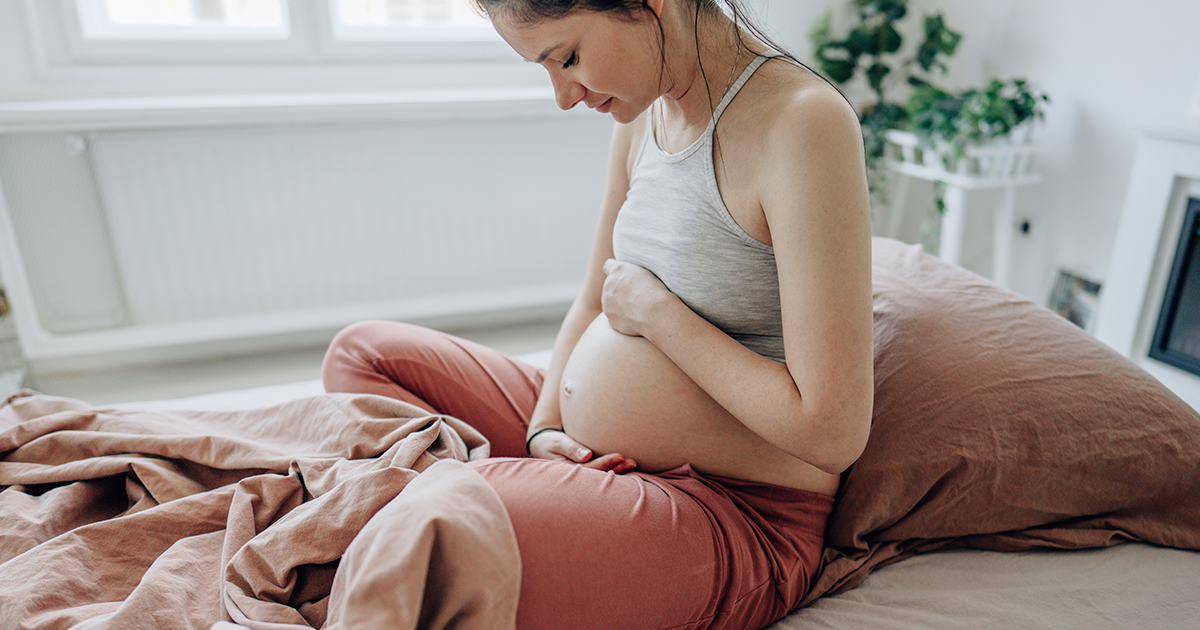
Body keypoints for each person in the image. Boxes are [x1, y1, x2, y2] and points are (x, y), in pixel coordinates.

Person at [320, 0, 874, 627]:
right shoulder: (645, 113)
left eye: (568, 58)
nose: (563, 97)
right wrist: (543, 429)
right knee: (362, 356)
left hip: (729, 507)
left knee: (436, 522)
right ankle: (523, 494)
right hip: (589, 449)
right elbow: (593, 300)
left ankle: (493, 501)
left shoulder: (803, 123)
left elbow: (832, 433)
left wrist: (660, 315)